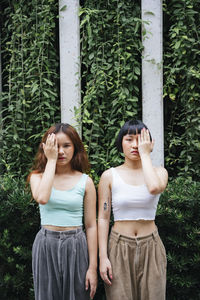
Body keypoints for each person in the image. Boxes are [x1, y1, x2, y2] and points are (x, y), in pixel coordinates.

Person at [98, 120, 168, 300]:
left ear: (149, 143)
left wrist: (146, 155)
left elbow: (153, 188)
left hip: (151, 246)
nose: (135, 145)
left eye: (141, 139)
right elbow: (103, 218)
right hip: (118, 246)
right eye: (129, 139)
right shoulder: (109, 176)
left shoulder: (159, 172)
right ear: (121, 143)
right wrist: (103, 257)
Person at [28, 123, 97, 300]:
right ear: (46, 147)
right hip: (46, 244)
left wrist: (93, 268)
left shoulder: (85, 181)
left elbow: (91, 226)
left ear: (75, 148)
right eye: (55, 146)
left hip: (76, 244)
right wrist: (50, 161)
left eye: (66, 145)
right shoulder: (37, 177)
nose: (61, 151)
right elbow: (42, 197)